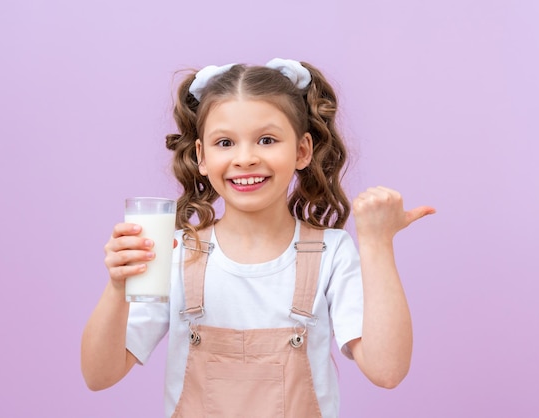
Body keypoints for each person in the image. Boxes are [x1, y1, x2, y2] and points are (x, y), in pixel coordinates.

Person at [81, 58, 435, 417]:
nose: (245, 158)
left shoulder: (331, 252)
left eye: (267, 140)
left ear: (302, 151)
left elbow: (387, 371)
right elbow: (98, 375)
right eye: (225, 142)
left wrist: (377, 242)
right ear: (201, 156)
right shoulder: (176, 252)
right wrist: (117, 288)